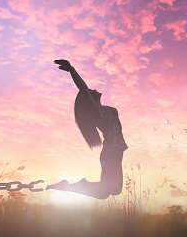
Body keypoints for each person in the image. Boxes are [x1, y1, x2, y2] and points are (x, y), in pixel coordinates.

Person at [46, 59, 128, 199]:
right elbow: (83, 88)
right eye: (90, 92)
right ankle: (70, 186)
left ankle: (70, 186)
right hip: (111, 153)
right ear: (89, 100)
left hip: (113, 152)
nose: (93, 90)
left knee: (109, 191)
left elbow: (85, 90)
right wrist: (71, 69)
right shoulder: (98, 113)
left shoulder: (104, 110)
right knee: (111, 190)